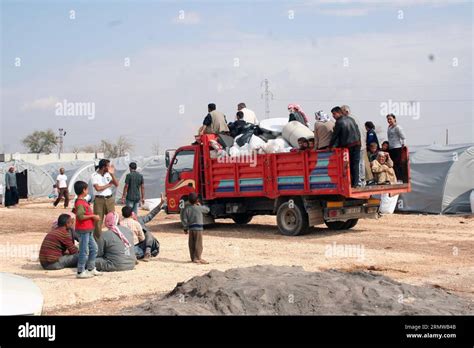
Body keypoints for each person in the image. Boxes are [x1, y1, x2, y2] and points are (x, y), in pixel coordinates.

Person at [73, 181, 101, 279]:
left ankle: (91, 268)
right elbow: (80, 216)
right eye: (87, 189)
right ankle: (80, 271)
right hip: (83, 230)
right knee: (84, 251)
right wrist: (93, 216)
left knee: (94, 248)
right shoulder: (80, 203)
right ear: (83, 190)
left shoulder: (82, 201)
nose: (88, 191)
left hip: (88, 229)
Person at [329, 106, 361, 187]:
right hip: (357, 144)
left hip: (348, 146)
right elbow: (357, 131)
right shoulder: (351, 119)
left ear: (339, 112)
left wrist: (330, 146)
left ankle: (349, 183)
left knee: (348, 165)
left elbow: (335, 136)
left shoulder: (339, 122)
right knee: (355, 164)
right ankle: (355, 183)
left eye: (334, 114)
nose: (333, 116)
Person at [341, 105, 370, 186]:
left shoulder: (348, 119)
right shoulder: (354, 117)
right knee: (361, 162)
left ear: (346, 111)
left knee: (357, 163)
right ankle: (361, 180)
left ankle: (359, 180)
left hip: (356, 144)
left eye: (342, 112)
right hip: (361, 143)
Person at [131, 194, 164, 261]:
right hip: (134, 247)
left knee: (148, 234)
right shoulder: (123, 224)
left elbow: (151, 214)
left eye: (134, 215)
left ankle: (147, 253)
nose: (134, 216)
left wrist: (161, 203)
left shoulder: (139, 220)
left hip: (146, 244)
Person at [92, 159, 119, 239]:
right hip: (99, 200)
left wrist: (112, 175)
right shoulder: (94, 175)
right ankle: (98, 240)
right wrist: (109, 184)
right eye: (108, 166)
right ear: (104, 167)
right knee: (98, 221)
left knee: (113, 219)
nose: (110, 167)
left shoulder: (108, 175)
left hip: (109, 199)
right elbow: (98, 188)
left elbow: (116, 184)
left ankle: (114, 238)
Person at [180, 192, 210, 264]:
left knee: (191, 243)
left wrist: (185, 228)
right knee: (198, 244)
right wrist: (200, 205)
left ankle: (193, 257)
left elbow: (184, 219)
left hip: (191, 229)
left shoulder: (187, 209)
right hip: (199, 229)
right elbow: (207, 210)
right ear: (197, 200)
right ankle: (198, 258)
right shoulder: (199, 208)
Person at [386, 113, 407, 182]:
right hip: (391, 148)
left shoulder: (397, 127)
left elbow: (403, 137)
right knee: (392, 164)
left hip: (397, 147)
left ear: (394, 119)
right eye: (388, 119)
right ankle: (394, 178)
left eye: (390, 119)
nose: (389, 120)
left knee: (398, 164)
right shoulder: (389, 127)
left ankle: (400, 179)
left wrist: (403, 145)